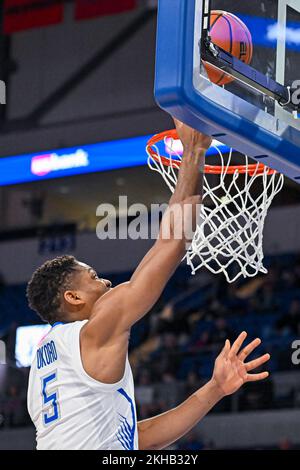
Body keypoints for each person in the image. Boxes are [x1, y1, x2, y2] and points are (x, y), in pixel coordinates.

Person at [26, 120, 270, 450]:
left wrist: (214, 388)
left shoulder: (43, 361)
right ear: (72, 297)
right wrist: (194, 152)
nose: (106, 281)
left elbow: (137, 440)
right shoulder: (95, 331)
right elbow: (171, 244)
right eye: (94, 277)